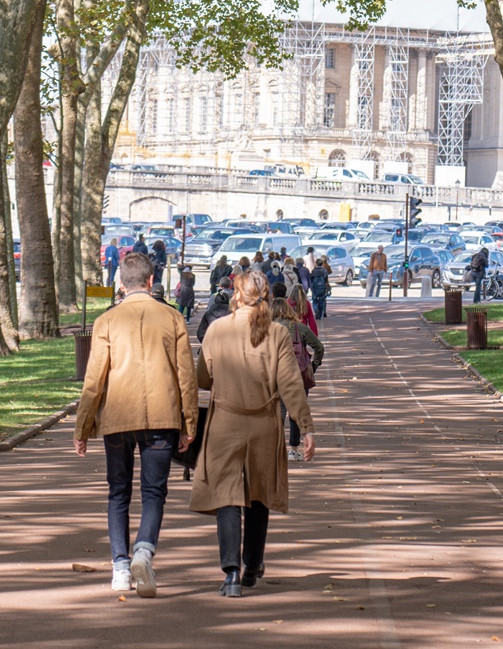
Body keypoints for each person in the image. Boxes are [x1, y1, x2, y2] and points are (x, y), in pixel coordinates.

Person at [74, 250, 198, 597]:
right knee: (154, 491)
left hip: (117, 418)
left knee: (118, 492)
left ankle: (119, 566)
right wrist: (190, 422)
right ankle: (144, 549)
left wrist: (82, 427)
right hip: (162, 416)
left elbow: (94, 378)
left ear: (121, 284)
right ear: (150, 282)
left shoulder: (106, 322)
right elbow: (186, 376)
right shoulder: (173, 318)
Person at [191, 269, 315, 596]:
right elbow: (290, 384)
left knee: (227, 497)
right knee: (258, 496)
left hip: (225, 424)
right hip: (264, 424)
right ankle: (253, 564)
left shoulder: (217, 329)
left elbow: (202, 379)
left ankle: (230, 573)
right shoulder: (276, 333)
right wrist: (306, 427)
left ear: (237, 293)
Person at [270, 297, 324, 461]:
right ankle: (293, 449)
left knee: (276, 414)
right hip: (298, 375)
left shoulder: (267, 329)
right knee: (296, 412)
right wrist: (313, 365)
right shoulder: (300, 328)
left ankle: (275, 449)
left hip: (275, 375)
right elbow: (319, 347)